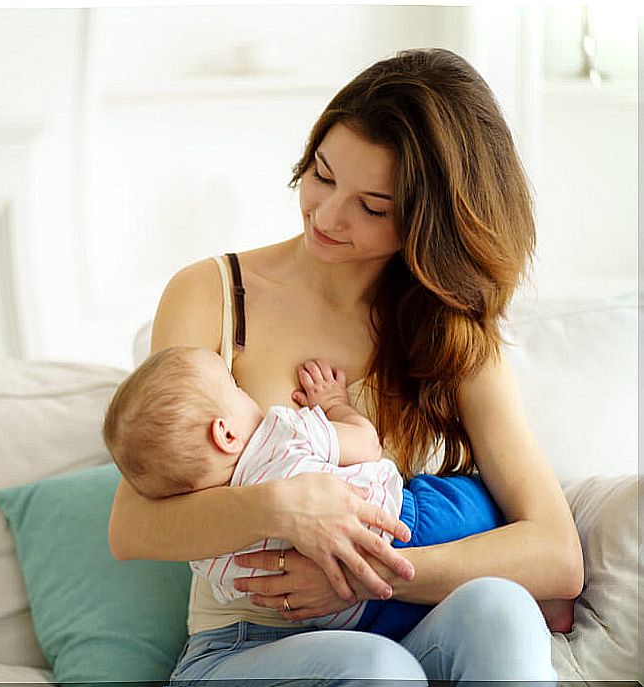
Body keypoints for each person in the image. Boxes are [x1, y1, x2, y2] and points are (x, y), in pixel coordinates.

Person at [107, 48, 582, 684]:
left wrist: (369, 572)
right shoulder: (213, 293)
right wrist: (287, 506)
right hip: (245, 648)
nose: (327, 217)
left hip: (402, 620)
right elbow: (134, 527)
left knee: (501, 610)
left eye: (374, 206)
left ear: (427, 221)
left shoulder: (450, 330)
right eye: (323, 176)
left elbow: (555, 551)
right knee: (378, 671)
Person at [103, 344, 505, 639]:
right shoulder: (280, 432)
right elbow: (366, 444)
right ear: (225, 433)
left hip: (353, 616)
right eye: (235, 388)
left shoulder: (209, 557)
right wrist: (334, 404)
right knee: (485, 508)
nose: (247, 393)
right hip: (407, 522)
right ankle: (543, 602)